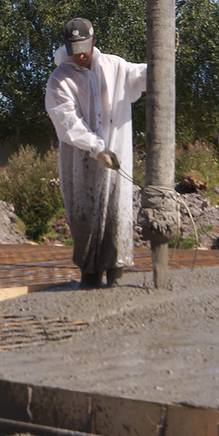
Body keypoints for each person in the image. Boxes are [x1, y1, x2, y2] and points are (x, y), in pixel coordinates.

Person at [45, 17, 147, 289]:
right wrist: (97, 148)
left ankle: (116, 280)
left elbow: (142, 76)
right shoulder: (59, 80)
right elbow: (67, 123)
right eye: (74, 48)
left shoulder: (115, 66)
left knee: (117, 214)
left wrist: (161, 61)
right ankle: (89, 279)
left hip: (117, 157)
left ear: (94, 41)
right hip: (81, 162)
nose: (79, 54)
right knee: (85, 217)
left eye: (84, 47)